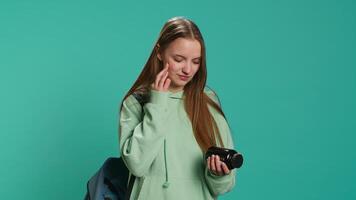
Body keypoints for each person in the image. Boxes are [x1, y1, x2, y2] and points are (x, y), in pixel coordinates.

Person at [118, 16, 237, 200]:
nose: (187, 70)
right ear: (159, 53)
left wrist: (218, 174)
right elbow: (137, 165)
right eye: (179, 59)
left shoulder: (207, 101)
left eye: (196, 61)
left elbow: (223, 186)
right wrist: (158, 102)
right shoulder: (137, 102)